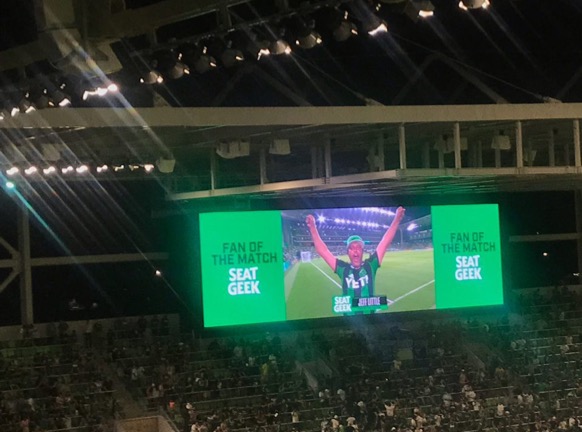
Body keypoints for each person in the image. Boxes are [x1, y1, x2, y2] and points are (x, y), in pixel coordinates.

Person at [305, 206, 405, 299]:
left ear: (362, 251)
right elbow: (323, 251)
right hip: (349, 317)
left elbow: (384, 242)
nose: (356, 250)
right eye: (352, 248)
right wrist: (313, 227)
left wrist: (396, 220)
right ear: (348, 252)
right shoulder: (342, 269)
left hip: (370, 317)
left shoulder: (371, 265)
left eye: (358, 247)